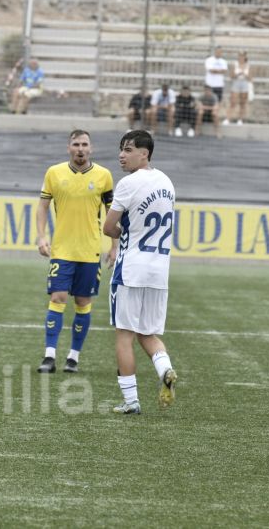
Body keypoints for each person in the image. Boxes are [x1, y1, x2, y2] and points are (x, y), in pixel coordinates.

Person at [102, 129, 178, 415]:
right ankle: (166, 372)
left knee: (124, 335)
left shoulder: (128, 183)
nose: (122, 155)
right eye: (121, 149)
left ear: (144, 153)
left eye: (128, 149)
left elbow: (108, 228)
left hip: (131, 268)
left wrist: (125, 234)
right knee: (148, 332)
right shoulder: (167, 183)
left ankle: (131, 401)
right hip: (159, 271)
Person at [35, 130, 116, 374]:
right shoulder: (54, 173)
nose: (80, 148)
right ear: (68, 147)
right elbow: (42, 206)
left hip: (90, 251)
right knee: (57, 298)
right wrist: (41, 237)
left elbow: (113, 213)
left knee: (82, 302)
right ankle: (49, 356)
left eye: (84, 144)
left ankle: (73, 357)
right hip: (62, 249)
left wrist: (114, 245)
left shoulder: (104, 176)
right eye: (76, 144)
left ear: (91, 148)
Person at [225, 51, 251, 125]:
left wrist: (245, 74)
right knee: (233, 102)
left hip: (244, 83)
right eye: (240, 56)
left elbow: (250, 78)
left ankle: (240, 119)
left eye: (243, 56)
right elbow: (231, 76)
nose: (241, 57)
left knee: (242, 103)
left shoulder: (248, 65)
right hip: (236, 82)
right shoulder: (235, 64)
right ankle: (228, 118)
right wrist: (238, 74)